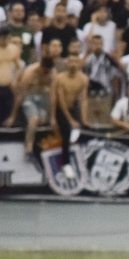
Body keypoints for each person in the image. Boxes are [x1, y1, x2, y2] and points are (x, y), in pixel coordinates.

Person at [52, 49, 89, 180]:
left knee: (85, 129)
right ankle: (65, 163)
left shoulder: (83, 79)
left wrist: (84, 119)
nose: (73, 64)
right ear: (67, 63)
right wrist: (70, 119)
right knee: (67, 129)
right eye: (71, 61)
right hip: (59, 109)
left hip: (72, 108)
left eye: (76, 61)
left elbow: (83, 100)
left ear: (80, 64)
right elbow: (59, 101)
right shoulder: (60, 78)